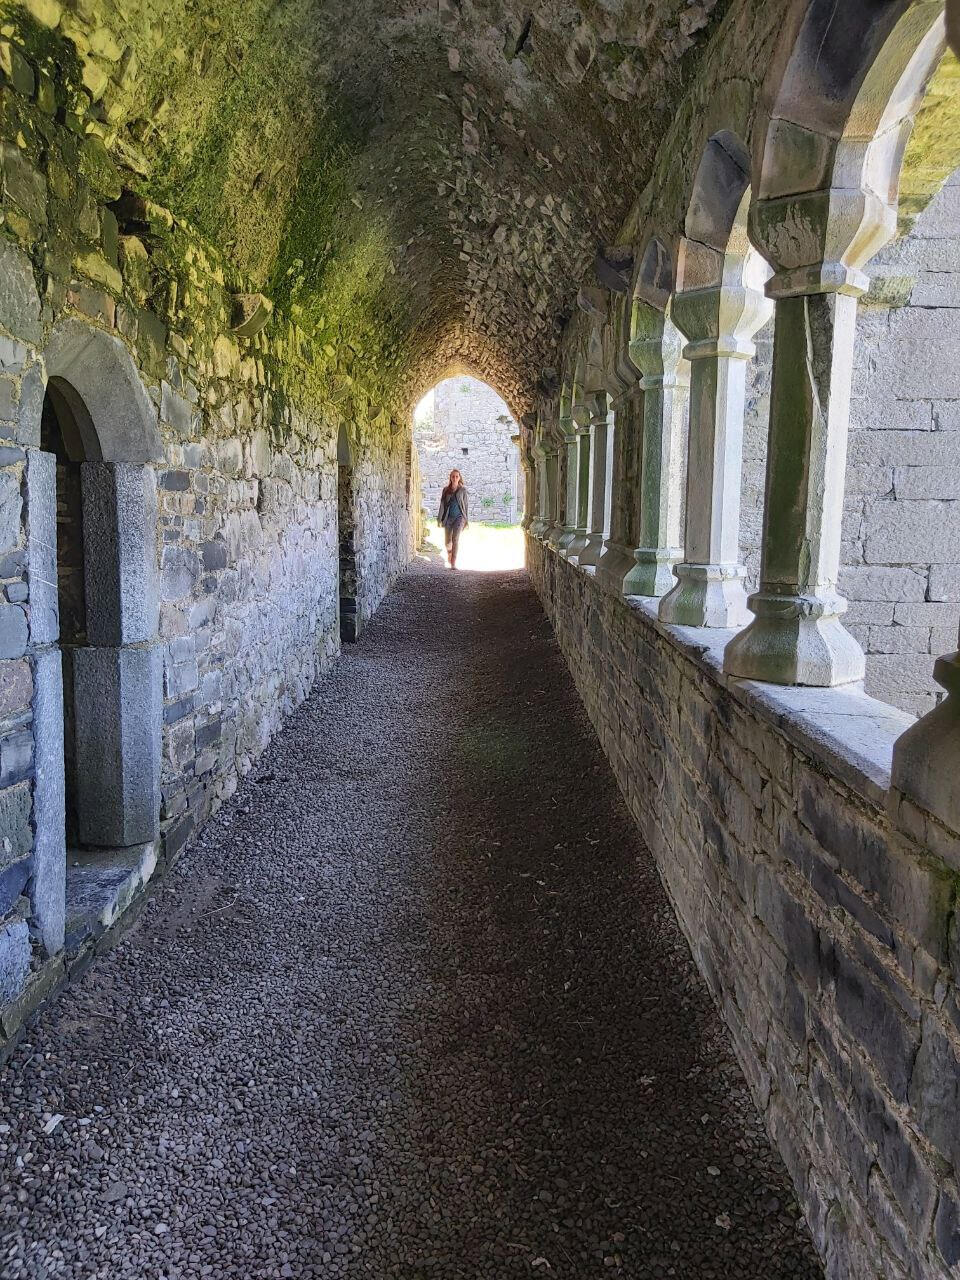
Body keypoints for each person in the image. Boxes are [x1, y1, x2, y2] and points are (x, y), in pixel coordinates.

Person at [437, 468, 469, 569]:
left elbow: (466, 505)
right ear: (450, 478)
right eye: (453, 476)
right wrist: (439, 518)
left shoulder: (463, 490)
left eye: (457, 476)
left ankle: (453, 563)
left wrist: (466, 520)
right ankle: (449, 553)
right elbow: (442, 504)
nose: (455, 478)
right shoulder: (446, 490)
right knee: (447, 542)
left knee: (455, 539)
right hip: (448, 517)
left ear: (459, 478)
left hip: (459, 517)